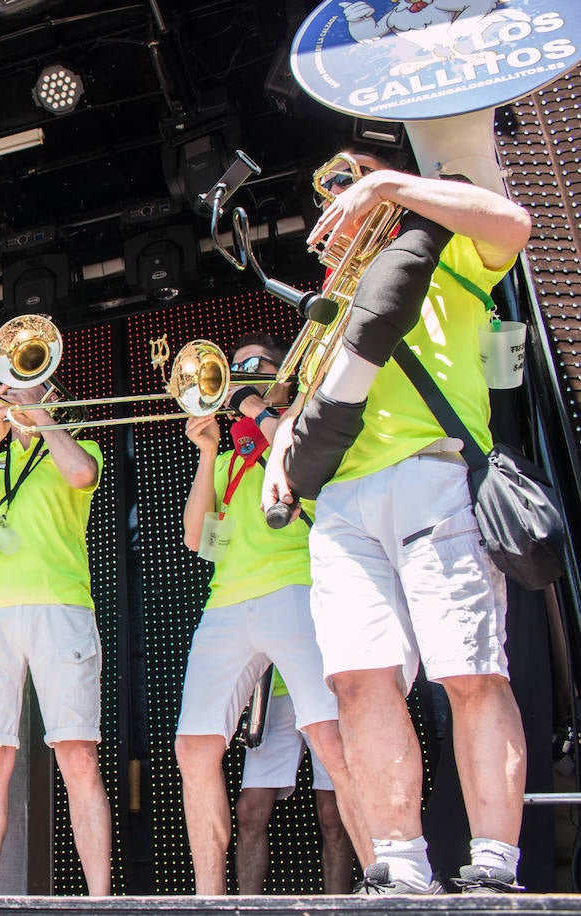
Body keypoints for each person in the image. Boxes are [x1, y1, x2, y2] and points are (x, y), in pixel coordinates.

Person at [263, 152, 532, 894]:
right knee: (356, 681)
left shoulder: (445, 246)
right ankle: (402, 865)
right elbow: (310, 407)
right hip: (341, 503)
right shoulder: (330, 305)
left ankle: (493, 868)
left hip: (431, 471)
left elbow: (514, 222)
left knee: (470, 673)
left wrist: (388, 185)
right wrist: (283, 435)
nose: (338, 201)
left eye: (350, 183)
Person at [177, 334, 368, 895]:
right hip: (226, 601)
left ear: (283, 372)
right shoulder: (232, 447)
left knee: (329, 738)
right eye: (231, 369)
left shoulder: (303, 418)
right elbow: (196, 538)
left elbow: (298, 463)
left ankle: (387, 878)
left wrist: (257, 410)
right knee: (194, 747)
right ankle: (210, 901)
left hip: (296, 587)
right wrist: (210, 451)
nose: (237, 375)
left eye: (251, 366)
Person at [0, 383, 111, 895]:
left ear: (53, 391)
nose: (13, 395)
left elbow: (83, 474)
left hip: (60, 607)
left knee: (76, 754)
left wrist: (40, 416)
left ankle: (101, 902)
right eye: (7, 387)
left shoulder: (75, 443)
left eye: (27, 385)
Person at [235, 670, 353, 894]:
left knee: (333, 813)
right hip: (273, 692)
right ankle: (247, 907)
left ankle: (337, 907)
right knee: (249, 812)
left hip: (322, 689)